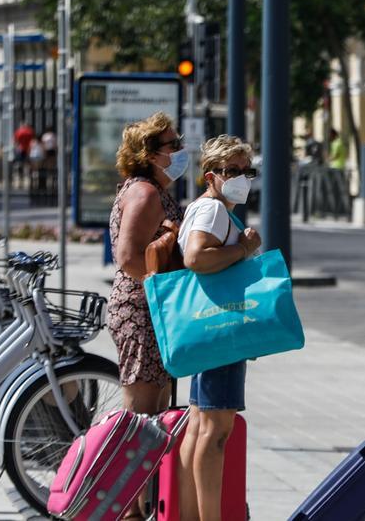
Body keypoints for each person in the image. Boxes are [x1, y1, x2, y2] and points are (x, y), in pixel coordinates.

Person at [175, 135, 262, 521]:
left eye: (247, 170)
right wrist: (243, 249)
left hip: (207, 327)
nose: (242, 178)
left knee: (198, 426)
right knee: (216, 431)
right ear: (211, 175)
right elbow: (196, 258)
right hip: (221, 327)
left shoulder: (202, 208)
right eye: (233, 171)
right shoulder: (212, 212)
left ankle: (190, 515)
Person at [106, 112, 187, 520]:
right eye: (172, 145)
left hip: (151, 311)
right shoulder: (145, 193)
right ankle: (125, 511)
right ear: (150, 154)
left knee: (152, 416)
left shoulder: (149, 189)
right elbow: (126, 258)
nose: (180, 151)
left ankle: (137, 508)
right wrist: (162, 289)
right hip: (141, 310)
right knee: (140, 417)